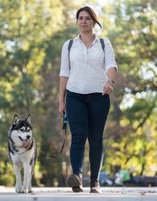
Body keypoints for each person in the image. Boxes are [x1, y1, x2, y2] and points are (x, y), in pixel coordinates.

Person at [58, 6, 117, 193]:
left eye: (87, 18)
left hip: (99, 95)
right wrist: (61, 100)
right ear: (77, 21)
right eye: (80, 18)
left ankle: (95, 182)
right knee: (78, 136)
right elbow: (64, 73)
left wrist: (110, 81)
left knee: (96, 138)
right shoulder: (68, 45)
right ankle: (76, 177)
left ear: (93, 21)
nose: (83, 21)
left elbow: (111, 65)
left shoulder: (103, 43)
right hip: (74, 95)